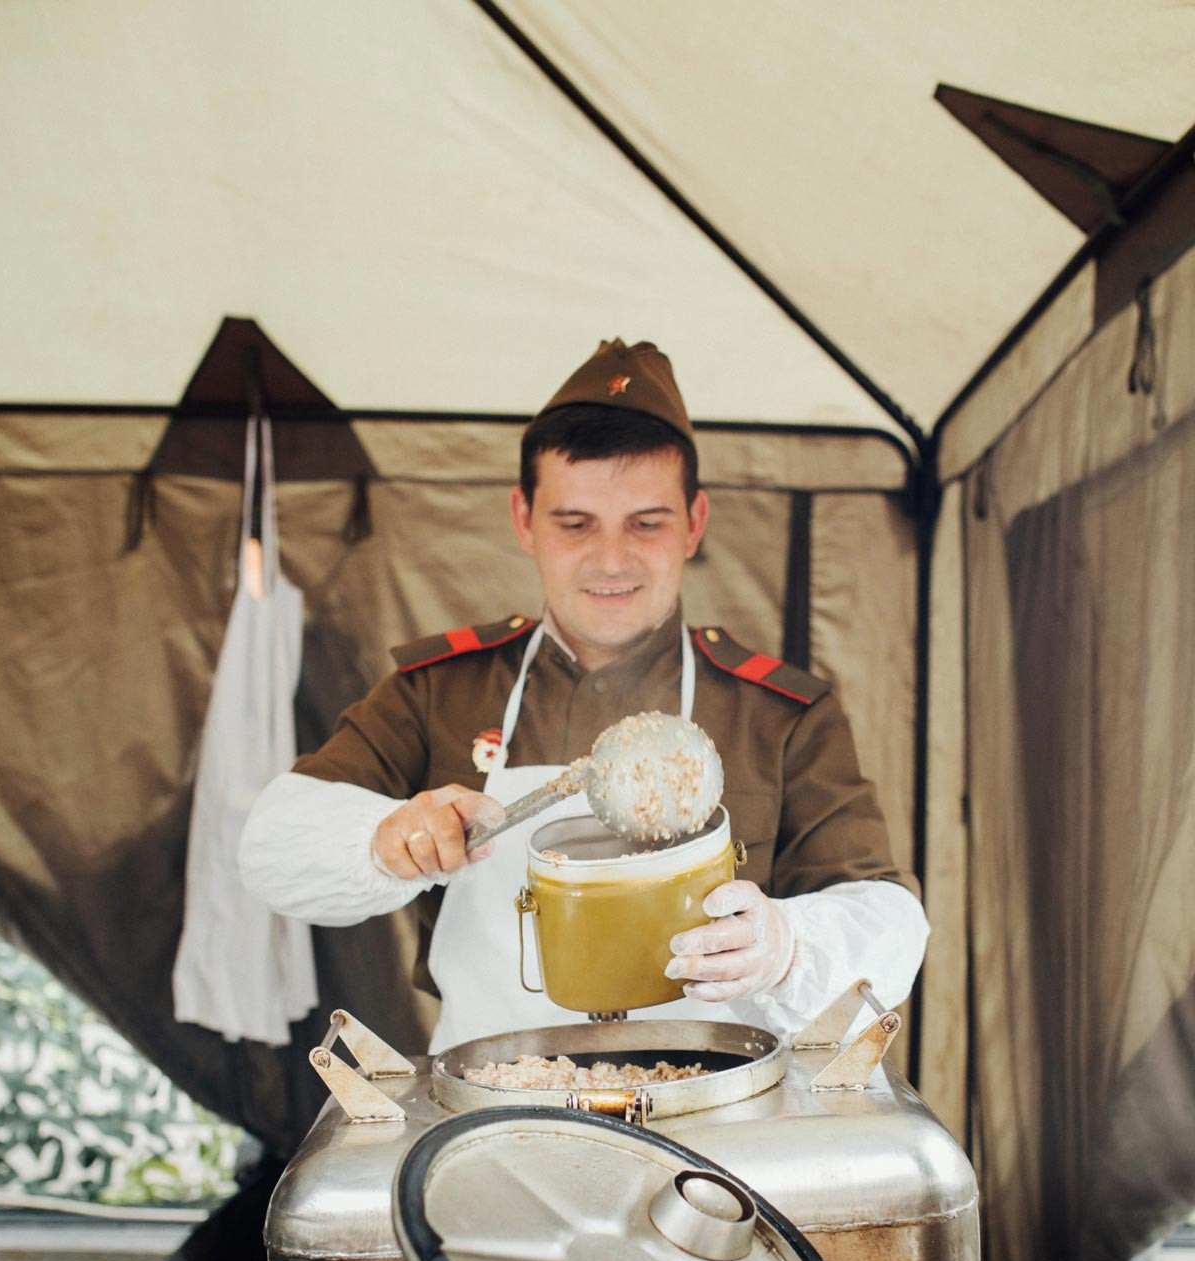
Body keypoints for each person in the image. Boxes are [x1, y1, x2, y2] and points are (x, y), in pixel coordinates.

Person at [239, 338, 928, 1052]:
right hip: (488, 1119)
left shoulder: (778, 714)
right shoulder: (440, 689)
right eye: (574, 524)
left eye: (647, 523)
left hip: (717, 1119)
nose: (611, 560)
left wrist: (785, 945)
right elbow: (271, 845)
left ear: (694, 523)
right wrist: (383, 843)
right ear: (523, 519)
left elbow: (891, 921)